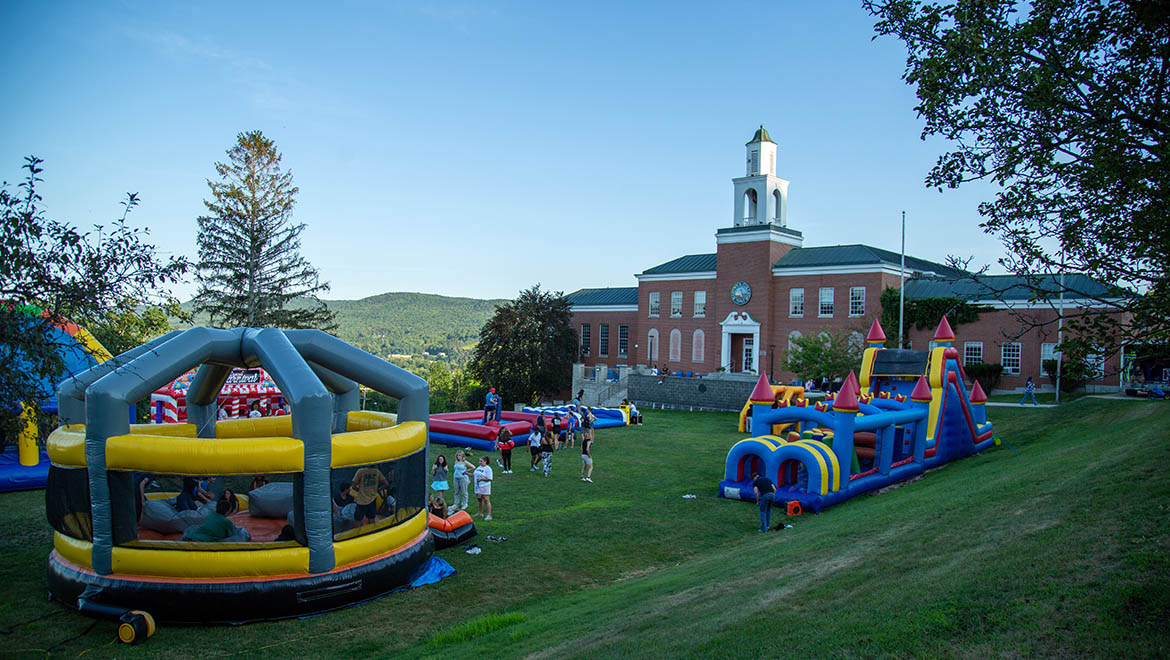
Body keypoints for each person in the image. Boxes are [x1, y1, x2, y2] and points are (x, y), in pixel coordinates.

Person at [181, 489, 247, 542]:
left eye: (227, 493)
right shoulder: (226, 522)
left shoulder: (211, 515)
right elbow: (231, 534)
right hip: (203, 539)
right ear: (227, 511)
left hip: (194, 535)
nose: (226, 495)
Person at [473, 456, 493, 520]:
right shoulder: (478, 467)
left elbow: (490, 479)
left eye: (481, 461)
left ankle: (489, 515)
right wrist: (467, 473)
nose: (480, 462)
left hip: (484, 486)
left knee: (486, 500)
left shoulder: (488, 469)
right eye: (479, 461)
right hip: (477, 486)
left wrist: (481, 479)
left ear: (485, 461)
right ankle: (480, 513)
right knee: (479, 500)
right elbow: (474, 475)